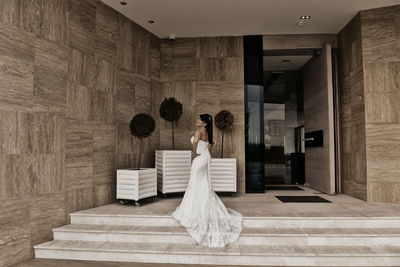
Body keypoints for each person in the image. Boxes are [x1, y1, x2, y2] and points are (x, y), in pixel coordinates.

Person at [171, 113, 243, 248]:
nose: (197, 120)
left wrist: (194, 154)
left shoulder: (199, 131)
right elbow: (211, 144)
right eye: (198, 118)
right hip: (206, 157)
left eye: (200, 119)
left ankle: (194, 210)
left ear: (204, 123)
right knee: (202, 183)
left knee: (195, 183)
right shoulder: (206, 131)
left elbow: (195, 143)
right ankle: (202, 205)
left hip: (199, 159)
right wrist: (204, 152)